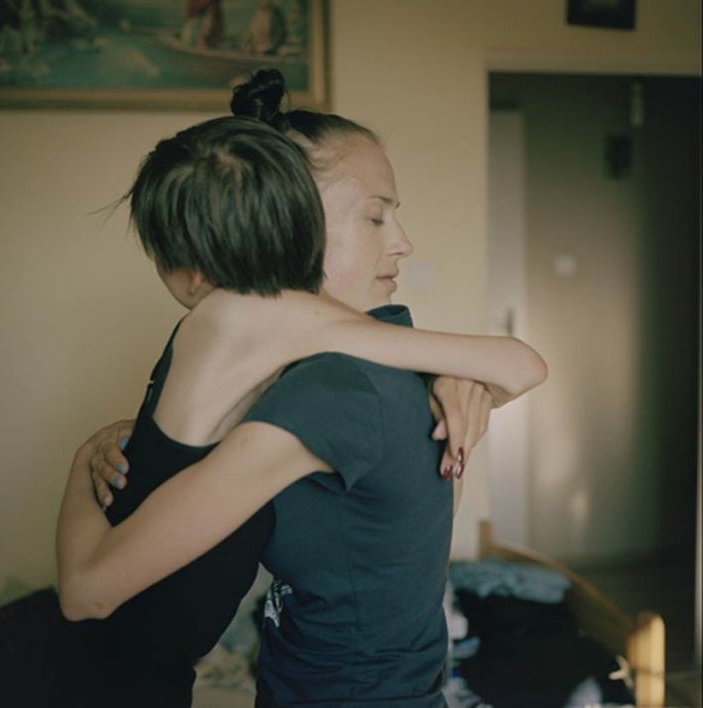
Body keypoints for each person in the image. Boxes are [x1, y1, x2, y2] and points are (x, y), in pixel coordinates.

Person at [58, 73, 547, 707]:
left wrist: (452, 375)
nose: (403, 242)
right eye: (375, 216)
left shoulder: (318, 379)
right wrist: (451, 373)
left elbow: (89, 589)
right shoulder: (295, 349)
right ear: (294, 221)